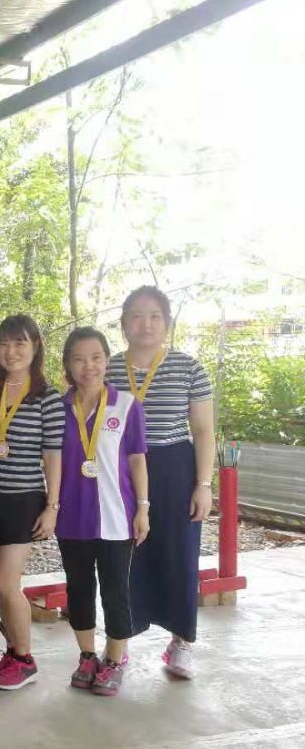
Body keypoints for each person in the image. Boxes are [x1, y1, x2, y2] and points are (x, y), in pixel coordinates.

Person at [106, 286, 214, 679]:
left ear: (166, 322)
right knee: (123, 556)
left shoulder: (189, 368)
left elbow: (203, 430)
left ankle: (181, 642)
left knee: (179, 553)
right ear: (124, 324)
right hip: (121, 470)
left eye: (154, 316)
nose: (146, 324)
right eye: (136, 315)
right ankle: (119, 642)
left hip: (174, 468)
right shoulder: (108, 369)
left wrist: (204, 484)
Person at [57, 328, 150, 696]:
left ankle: (113, 660)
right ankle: (87, 657)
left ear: (107, 360)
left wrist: (143, 509)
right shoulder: (58, 408)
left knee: (115, 591)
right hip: (71, 519)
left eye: (96, 357)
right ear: (67, 364)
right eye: (79, 359)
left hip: (117, 518)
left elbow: (138, 460)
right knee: (78, 590)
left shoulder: (126, 406)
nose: (88, 366)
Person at [0, 315, 65, 691]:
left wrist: (52, 506)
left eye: (20, 343)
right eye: (4, 343)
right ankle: (13, 653)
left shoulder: (47, 397)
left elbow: (53, 456)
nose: (11, 351)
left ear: (35, 348)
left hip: (24, 500)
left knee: (6, 581)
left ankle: (26, 659)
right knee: (1, 586)